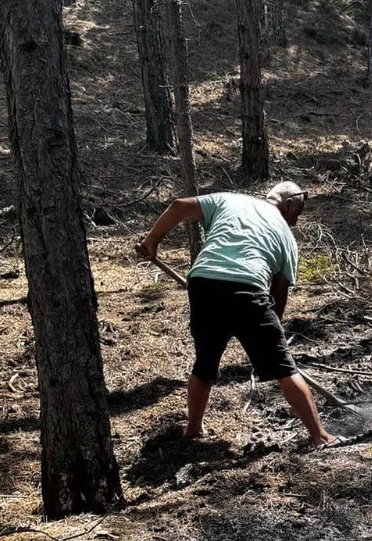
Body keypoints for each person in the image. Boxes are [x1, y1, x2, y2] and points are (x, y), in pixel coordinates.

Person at [137, 181, 342, 448]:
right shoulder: (287, 238)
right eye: (297, 214)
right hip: (248, 288)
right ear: (288, 204)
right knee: (284, 369)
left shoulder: (229, 200)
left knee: (205, 363)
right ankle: (321, 436)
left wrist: (151, 242)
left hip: (204, 284)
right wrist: (270, 339)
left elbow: (178, 207)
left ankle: (193, 430)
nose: (296, 222)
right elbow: (279, 293)